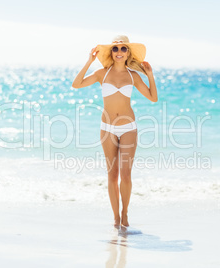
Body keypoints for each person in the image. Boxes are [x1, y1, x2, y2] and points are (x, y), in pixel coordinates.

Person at [72, 35, 158, 227]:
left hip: (128, 128)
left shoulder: (133, 76)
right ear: (111, 52)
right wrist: (89, 61)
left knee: (126, 175)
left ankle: (125, 214)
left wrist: (149, 75)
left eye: (123, 49)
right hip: (107, 128)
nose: (119, 52)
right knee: (112, 174)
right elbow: (76, 84)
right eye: (115, 49)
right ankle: (115, 218)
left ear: (128, 53)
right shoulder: (102, 73)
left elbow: (153, 98)